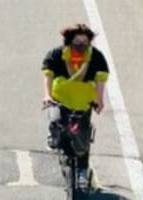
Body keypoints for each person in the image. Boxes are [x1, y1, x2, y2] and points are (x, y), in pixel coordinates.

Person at [42, 23, 108, 188]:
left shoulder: (96, 57)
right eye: (78, 43)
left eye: (85, 43)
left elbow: (100, 80)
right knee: (56, 122)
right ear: (69, 42)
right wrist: (47, 95)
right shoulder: (56, 54)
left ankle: (82, 172)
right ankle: (55, 137)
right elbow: (48, 76)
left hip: (83, 103)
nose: (82, 47)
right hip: (61, 99)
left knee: (82, 141)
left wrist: (99, 100)